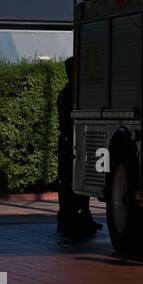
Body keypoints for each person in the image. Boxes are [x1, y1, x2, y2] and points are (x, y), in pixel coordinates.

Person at [56, 57, 99, 238]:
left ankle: (80, 217)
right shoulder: (70, 93)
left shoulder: (69, 92)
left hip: (73, 142)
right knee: (69, 183)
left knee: (78, 182)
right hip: (70, 143)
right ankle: (70, 219)